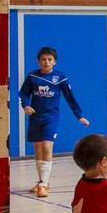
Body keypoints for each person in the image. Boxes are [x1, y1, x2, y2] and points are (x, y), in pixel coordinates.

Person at [18, 46, 89, 198]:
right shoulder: (32, 76)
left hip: (51, 117)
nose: (46, 62)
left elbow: (70, 97)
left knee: (46, 146)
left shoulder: (60, 77)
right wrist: (26, 105)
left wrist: (79, 115)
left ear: (54, 62)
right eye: (43, 59)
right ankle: (41, 181)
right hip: (35, 117)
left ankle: (44, 184)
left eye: (49, 59)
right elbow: (23, 94)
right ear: (38, 61)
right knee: (37, 148)